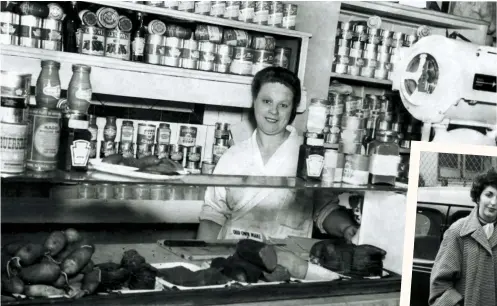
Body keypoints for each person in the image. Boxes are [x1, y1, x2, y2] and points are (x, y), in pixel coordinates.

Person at [197, 66, 358, 242]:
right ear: (255, 102)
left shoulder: (308, 155)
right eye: (267, 101)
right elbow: (213, 214)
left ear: (293, 109)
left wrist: (346, 228)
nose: (273, 111)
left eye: (283, 105)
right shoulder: (233, 156)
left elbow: (325, 209)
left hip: (286, 261)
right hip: (233, 257)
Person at [429, 168, 497, 306]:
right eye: (489, 195)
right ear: (478, 197)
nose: (494, 202)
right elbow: (440, 287)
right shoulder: (457, 232)